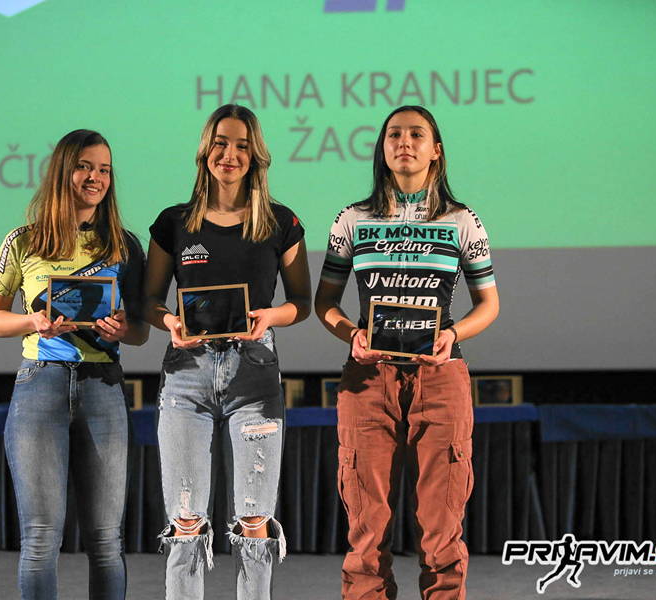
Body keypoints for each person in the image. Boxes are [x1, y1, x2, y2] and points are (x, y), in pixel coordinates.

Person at [314, 106, 499, 600]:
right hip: (368, 378)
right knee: (366, 530)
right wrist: (350, 333)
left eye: (417, 134)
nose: (404, 142)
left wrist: (452, 336)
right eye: (394, 134)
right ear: (382, 147)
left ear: (436, 150)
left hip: (440, 376)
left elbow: (489, 304)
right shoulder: (352, 218)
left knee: (442, 529)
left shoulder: (462, 220)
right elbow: (325, 302)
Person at [144, 104, 310, 600]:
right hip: (186, 377)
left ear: (255, 155)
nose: (230, 154)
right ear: (205, 150)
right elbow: (149, 301)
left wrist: (270, 316)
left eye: (241, 145)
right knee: (186, 522)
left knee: (255, 520)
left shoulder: (280, 221)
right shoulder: (174, 222)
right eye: (221, 143)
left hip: (254, 374)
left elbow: (301, 303)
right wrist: (169, 321)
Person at [0, 129, 147, 600]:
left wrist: (121, 330)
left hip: (103, 386)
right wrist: (32, 322)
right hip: (40, 385)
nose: (95, 178)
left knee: (106, 541)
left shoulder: (124, 245)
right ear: (62, 171)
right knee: (40, 539)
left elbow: (140, 330)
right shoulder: (23, 240)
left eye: (104, 170)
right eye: (85, 167)